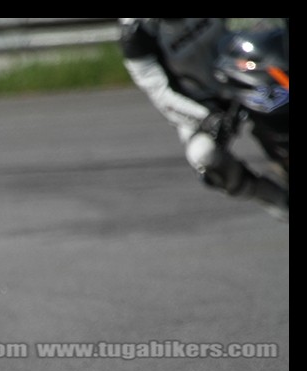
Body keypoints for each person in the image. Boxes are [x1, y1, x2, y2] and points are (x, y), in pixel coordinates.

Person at [118, 18, 288, 220]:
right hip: (198, 102)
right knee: (203, 155)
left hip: (243, 73)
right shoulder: (136, 34)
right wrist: (205, 117)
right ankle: (273, 197)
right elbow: (159, 93)